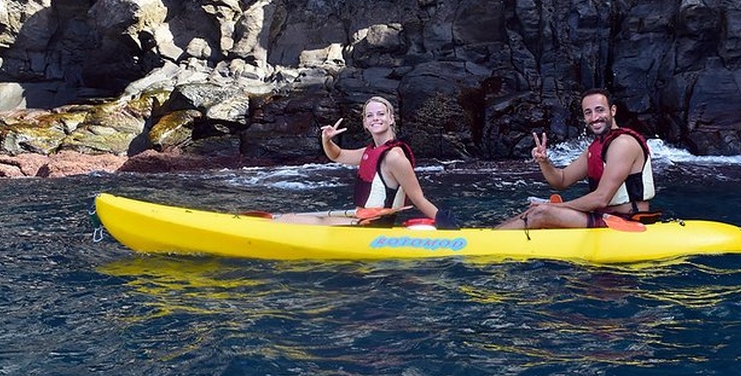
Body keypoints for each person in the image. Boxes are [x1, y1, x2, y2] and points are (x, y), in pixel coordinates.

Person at [274, 96, 457, 228]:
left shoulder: (395, 157)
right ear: (364, 123)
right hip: (363, 220)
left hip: (374, 227)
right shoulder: (370, 152)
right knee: (289, 218)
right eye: (369, 115)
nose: (375, 118)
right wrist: (327, 140)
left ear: (391, 118)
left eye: (380, 114)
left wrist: (444, 221)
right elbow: (336, 156)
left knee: (286, 221)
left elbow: (418, 198)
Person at [495, 88, 655, 229]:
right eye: (588, 112)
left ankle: (487, 244)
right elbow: (561, 180)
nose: (594, 117)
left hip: (626, 221)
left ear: (612, 111)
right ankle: (491, 236)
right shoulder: (597, 147)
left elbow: (601, 199)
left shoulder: (623, 144)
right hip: (605, 217)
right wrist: (544, 162)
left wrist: (556, 208)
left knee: (542, 212)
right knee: (537, 210)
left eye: (600, 110)